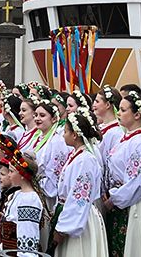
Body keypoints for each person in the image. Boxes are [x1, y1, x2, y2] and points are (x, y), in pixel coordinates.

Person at [103, 91, 141, 257]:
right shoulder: (127, 139)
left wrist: (114, 199)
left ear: (137, 114)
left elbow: (136, 182)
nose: (118, 113)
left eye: (123, 110)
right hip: (122, 199)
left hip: (134, 203)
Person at [54, 109, 107, 257]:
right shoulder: (76, 156)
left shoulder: (85, 160)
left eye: (65, 131)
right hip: (70, 213)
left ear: (75, 134)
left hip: (80, 219)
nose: (63, 134)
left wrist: (63, 228)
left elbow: (79, 197)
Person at [0, 152, 48, 257]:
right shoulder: (16, 194)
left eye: (11, 171)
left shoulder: (30, 200)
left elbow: (28, 238)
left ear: (22, 175)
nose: (9, 175)